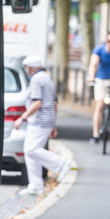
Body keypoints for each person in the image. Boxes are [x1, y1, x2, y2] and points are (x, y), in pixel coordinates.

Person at [14, 55, 71, 195]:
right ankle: (36, 185)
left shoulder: (36, 80)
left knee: (31, 150)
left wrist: (22, 117)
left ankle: (60, 163)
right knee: (31, 153)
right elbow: (54, 104)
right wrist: (53, 125)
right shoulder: (46, 78)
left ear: (30, 67)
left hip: (39, 121)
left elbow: (37, 103)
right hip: (46, 121)